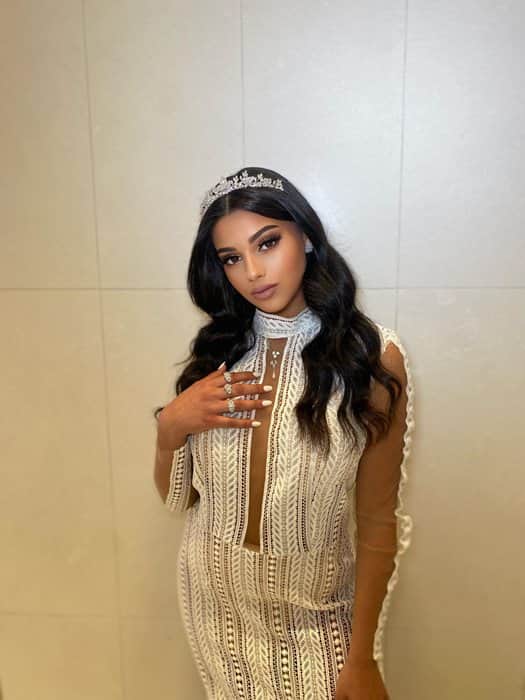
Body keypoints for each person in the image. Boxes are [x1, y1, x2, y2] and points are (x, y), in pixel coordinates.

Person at [153, 167, 415, 700]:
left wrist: (363, 657)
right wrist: (170, 428)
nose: (253, 272)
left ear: (307, 237)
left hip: (317, 613)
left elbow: (376, 522)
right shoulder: (219, 353)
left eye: (267, 243)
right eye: (231, 258)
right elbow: (178, 499)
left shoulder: (370, 357)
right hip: (216, 608)